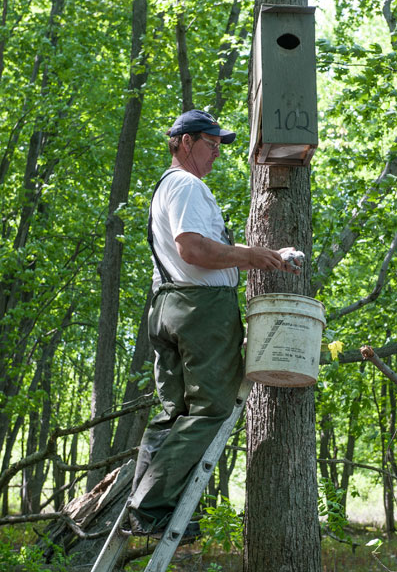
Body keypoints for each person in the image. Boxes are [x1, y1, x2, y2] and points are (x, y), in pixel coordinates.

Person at [127, 109, 301, 536]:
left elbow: (196, 248)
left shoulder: (166, 187)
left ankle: (144, 508)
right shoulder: (186, 184)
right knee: (211, 410)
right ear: (186, 142)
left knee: (175, 413)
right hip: (199, 310)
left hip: (167, 305)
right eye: (211, 144)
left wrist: (264, 254)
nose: (217, 153)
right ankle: (150, 506)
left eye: (222, 145)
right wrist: (252, 256)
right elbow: (194, 249)